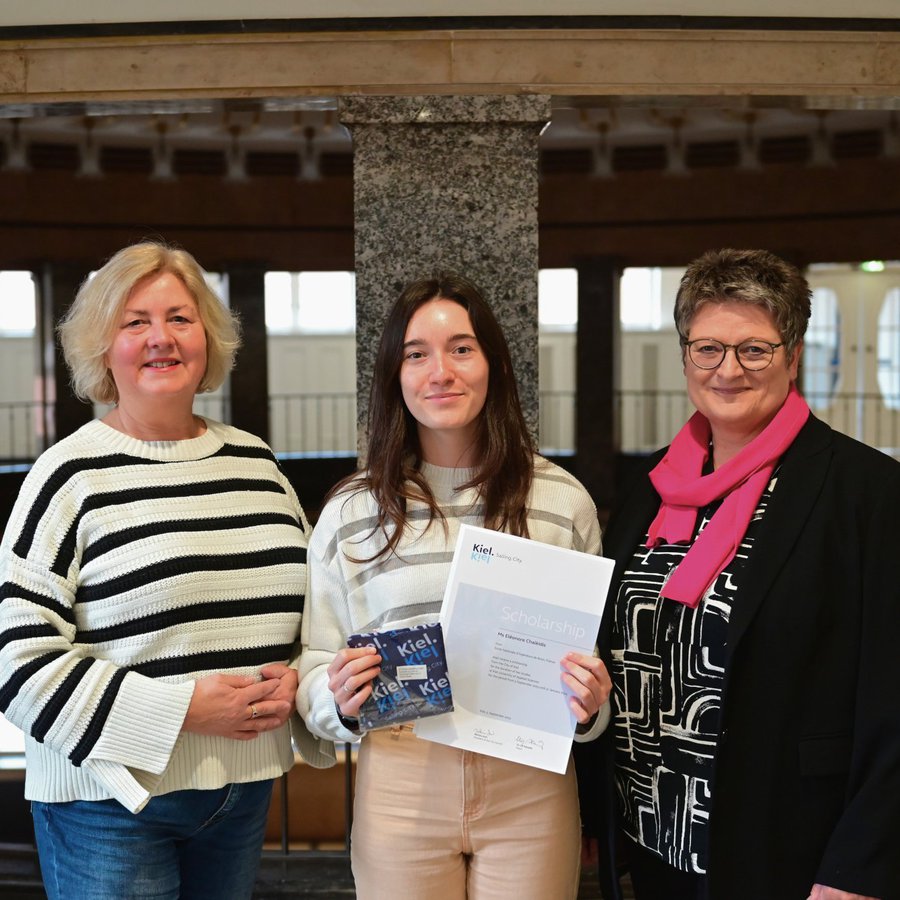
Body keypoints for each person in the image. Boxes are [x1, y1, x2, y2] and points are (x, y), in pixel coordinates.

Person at [0, 241, 332, 900]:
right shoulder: (67, 477)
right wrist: (179, 710)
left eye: (180, 318)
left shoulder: (255, 462)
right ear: (103, 346)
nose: (162, 338)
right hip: (109, 806)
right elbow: (18, 661)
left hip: (241, 795)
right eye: (136, 322)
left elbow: (312, 608)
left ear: (207, 336)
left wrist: (298, 677)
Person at [575, 249, 900, 900]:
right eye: (708, 349)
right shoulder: (650, 492)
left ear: (793, 354)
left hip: (789, 847)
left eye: (754, 349)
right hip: (654, 842)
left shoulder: (867, 494)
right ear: (685, 355)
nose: (728, 369)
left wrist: (857, 870)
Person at [297, 272, 611, 899]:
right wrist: (337, 698)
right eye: (417, 355)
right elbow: (311, 665)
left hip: (532, 785)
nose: (440, 371)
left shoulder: (560, 499)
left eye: (462, 348)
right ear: (395, 375)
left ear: (494, 363)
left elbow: (592, 662)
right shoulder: (351, 513)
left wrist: (591, 702)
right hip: (400, 779)